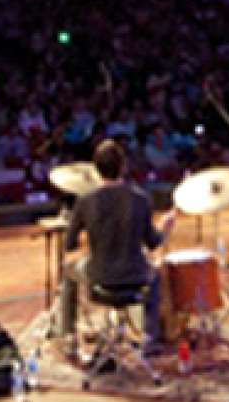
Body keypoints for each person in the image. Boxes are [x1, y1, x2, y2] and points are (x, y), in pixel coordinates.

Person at [59, 139, 176, 358]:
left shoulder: (85, 201)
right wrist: (165, 228)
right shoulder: (141, 199)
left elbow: (69, 245)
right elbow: (153, 243)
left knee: (68, 272)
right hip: (135, 276)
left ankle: (67, 336)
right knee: (155, 275)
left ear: (96, 169)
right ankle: (150, 338)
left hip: (99, 276)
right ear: (123, 166)